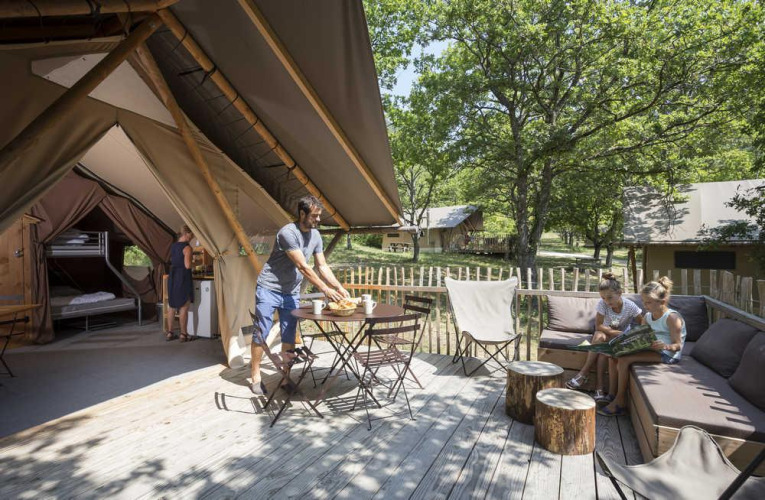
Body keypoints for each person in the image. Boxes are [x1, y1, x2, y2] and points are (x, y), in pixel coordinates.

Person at [250, 195, 349, 395]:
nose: (318, 220)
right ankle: (255, 375)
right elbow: (303, 267)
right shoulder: (288, 233)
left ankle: (285, 377)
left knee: (289, 333)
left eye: (319, 216)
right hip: (269, 288)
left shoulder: (316, 236)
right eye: (314, 216)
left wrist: (338, 287)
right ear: (302, 214)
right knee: (262, 330)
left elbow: (322, 266)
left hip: (291, 292)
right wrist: (325, 289)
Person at [598, 276, 686, 416]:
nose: (645, 306)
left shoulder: (672, 317)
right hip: (651, 349)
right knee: (613, 355)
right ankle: (612, 395)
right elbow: (641, 335)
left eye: (648, 302)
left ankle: (620, 402)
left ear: (662, 301)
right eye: (644, 302)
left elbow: (678, 345)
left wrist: (666, 346)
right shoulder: (647, 316)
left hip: (667, 354)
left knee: (624, 360)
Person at [566, 273, 642, 402]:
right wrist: (614, 332)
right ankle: (585, 374)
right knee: (599, 337)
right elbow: (599, 325)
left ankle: (595, 384)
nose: (607, 301)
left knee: (603, 352)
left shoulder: (630, 306)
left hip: (620, 338)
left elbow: (642, 323)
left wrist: (631, 336)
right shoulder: (603, 304)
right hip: (604, 333)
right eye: (603, 298)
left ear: (620, 293)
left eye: (610, 297)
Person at [166, 225, 195, 342]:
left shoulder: (173, 246)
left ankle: (170, 333)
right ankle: (183, 334)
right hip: (182, 277)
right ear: (187, 234)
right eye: (192, 235)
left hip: (172, 276)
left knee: (172, 306)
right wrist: (197, 262)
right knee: (184, 306)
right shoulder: (187, 247)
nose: (192, 237)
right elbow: (187, 265)